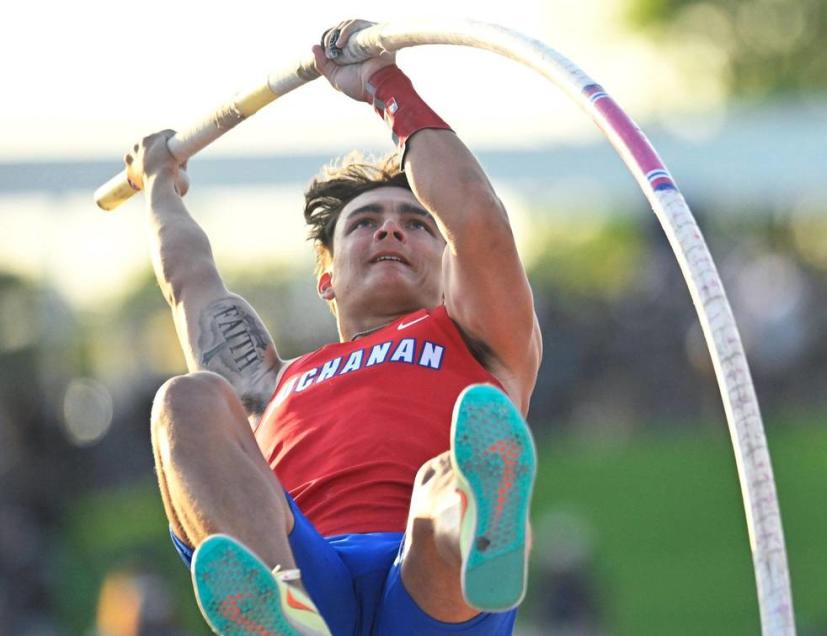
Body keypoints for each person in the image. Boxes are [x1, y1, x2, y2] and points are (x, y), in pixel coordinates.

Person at [124, 19, 541, 636]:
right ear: (328, 279)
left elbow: (476, 214)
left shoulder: (480, 337)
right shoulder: (272, 381)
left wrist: (383, 81)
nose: (392, 229)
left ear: (446, 257)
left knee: (442, 487)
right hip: (303, 571)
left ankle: (483, 524)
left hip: (428, 586)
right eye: (365, 222)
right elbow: (190, 279)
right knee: (185, 400)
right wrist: (159, 186)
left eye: (417, 224)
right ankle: (276, 608)